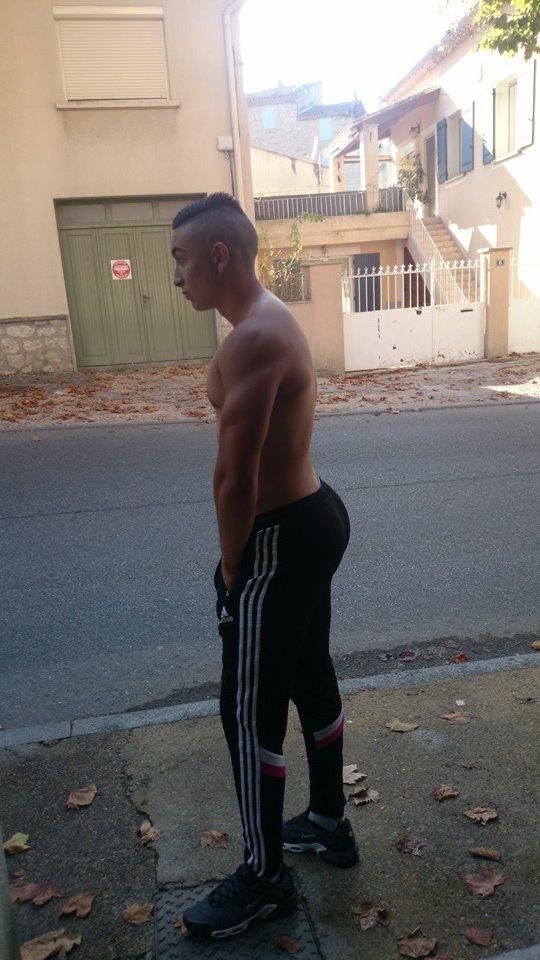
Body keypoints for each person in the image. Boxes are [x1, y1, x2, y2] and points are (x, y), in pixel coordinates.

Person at [171, 194, 358, 940]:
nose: (177, 276)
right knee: (310, 673)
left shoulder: (252, 339)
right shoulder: (267, 320)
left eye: (182, 259)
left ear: (219, 256)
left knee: (247, 708)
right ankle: (328, 822)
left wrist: (231, 575)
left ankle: (264, 876)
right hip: (313, 517)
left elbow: (234, 480)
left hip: (280, 537)